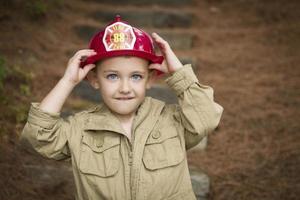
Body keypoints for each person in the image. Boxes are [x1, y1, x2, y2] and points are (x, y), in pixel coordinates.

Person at [21, 15, 223, 200]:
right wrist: (68, 81)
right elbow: (38, 136)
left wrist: (178, 73)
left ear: (150, 78)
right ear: (94, 79)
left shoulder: (171, 120)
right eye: (112, 76)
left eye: (136, 76)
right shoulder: (81, 128)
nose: (125, 88)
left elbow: (206, 118)